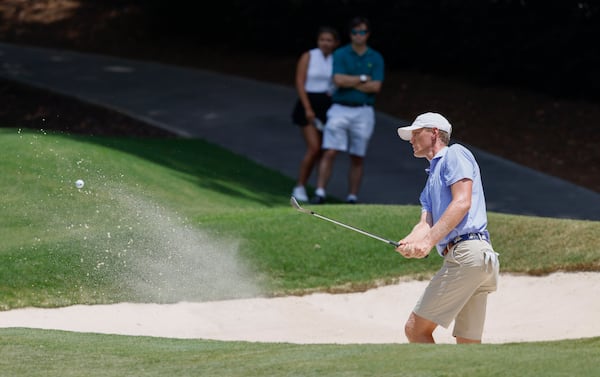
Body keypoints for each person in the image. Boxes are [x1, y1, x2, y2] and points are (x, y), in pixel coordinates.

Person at [394, 112, 500, 344]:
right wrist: (409, 242)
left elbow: (462, 202)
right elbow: (425, 224)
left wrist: (428, 242)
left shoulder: (455, 154)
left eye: (416, 133)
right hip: (478, 260)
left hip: (468, 254)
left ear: (434, 133)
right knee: (468, 343)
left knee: (415, 330)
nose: (411, 138)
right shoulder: (430, 179)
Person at [310, 16, 384, 204]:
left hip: (363, 110)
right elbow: (338, 81)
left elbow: (375, 87)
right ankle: (320, 192)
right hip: (340, 108)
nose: (359, 35)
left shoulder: (375, 57)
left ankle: (352, 197)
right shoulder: (341, 54)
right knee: (330, 151)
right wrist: (362, 79)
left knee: (357, 155)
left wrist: (350, 82)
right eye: (355, 32)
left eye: (363, 32)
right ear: (350, 34)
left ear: (368, 34)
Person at [291, 26, 340, 202]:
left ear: (335, 43)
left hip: (327, 106)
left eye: (329, 40)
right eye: (322, 40)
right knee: (314, 148)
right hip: (308, 105)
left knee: (324, 150)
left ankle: (319, 190)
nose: (325, 43)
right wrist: (308, 108)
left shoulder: (336, 59)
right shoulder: (309, 56)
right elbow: (300, 82)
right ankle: (299, 186)